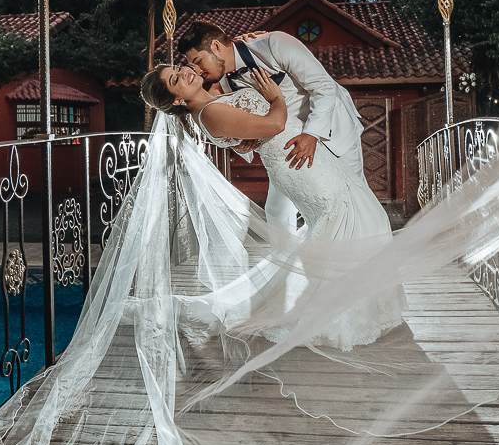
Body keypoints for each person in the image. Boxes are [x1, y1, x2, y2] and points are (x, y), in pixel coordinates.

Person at [140, 63, 405, 350]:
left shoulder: (212, 102)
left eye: (179, 67)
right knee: (342, 216)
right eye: (176, 79)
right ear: (177, 99)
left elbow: (251, 131)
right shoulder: (209, 113)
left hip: (303, 154)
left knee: (355, 215)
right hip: (295, 162)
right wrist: (275, 97)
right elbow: (275, 124)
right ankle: (332, 314)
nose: (186, 72)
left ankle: (355, 305)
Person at [178, 21, 367, 229]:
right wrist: (240, 145)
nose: (196, 70)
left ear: (215, 46)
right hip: (288, 143)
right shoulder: (223, 84)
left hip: (333, 128)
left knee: (356, 200)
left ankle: (366, 251)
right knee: (277, 212)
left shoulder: (274, 43)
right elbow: (232, 120)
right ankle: (285, 259)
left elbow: (324, 86)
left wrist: (312, 134)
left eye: (198, 61)